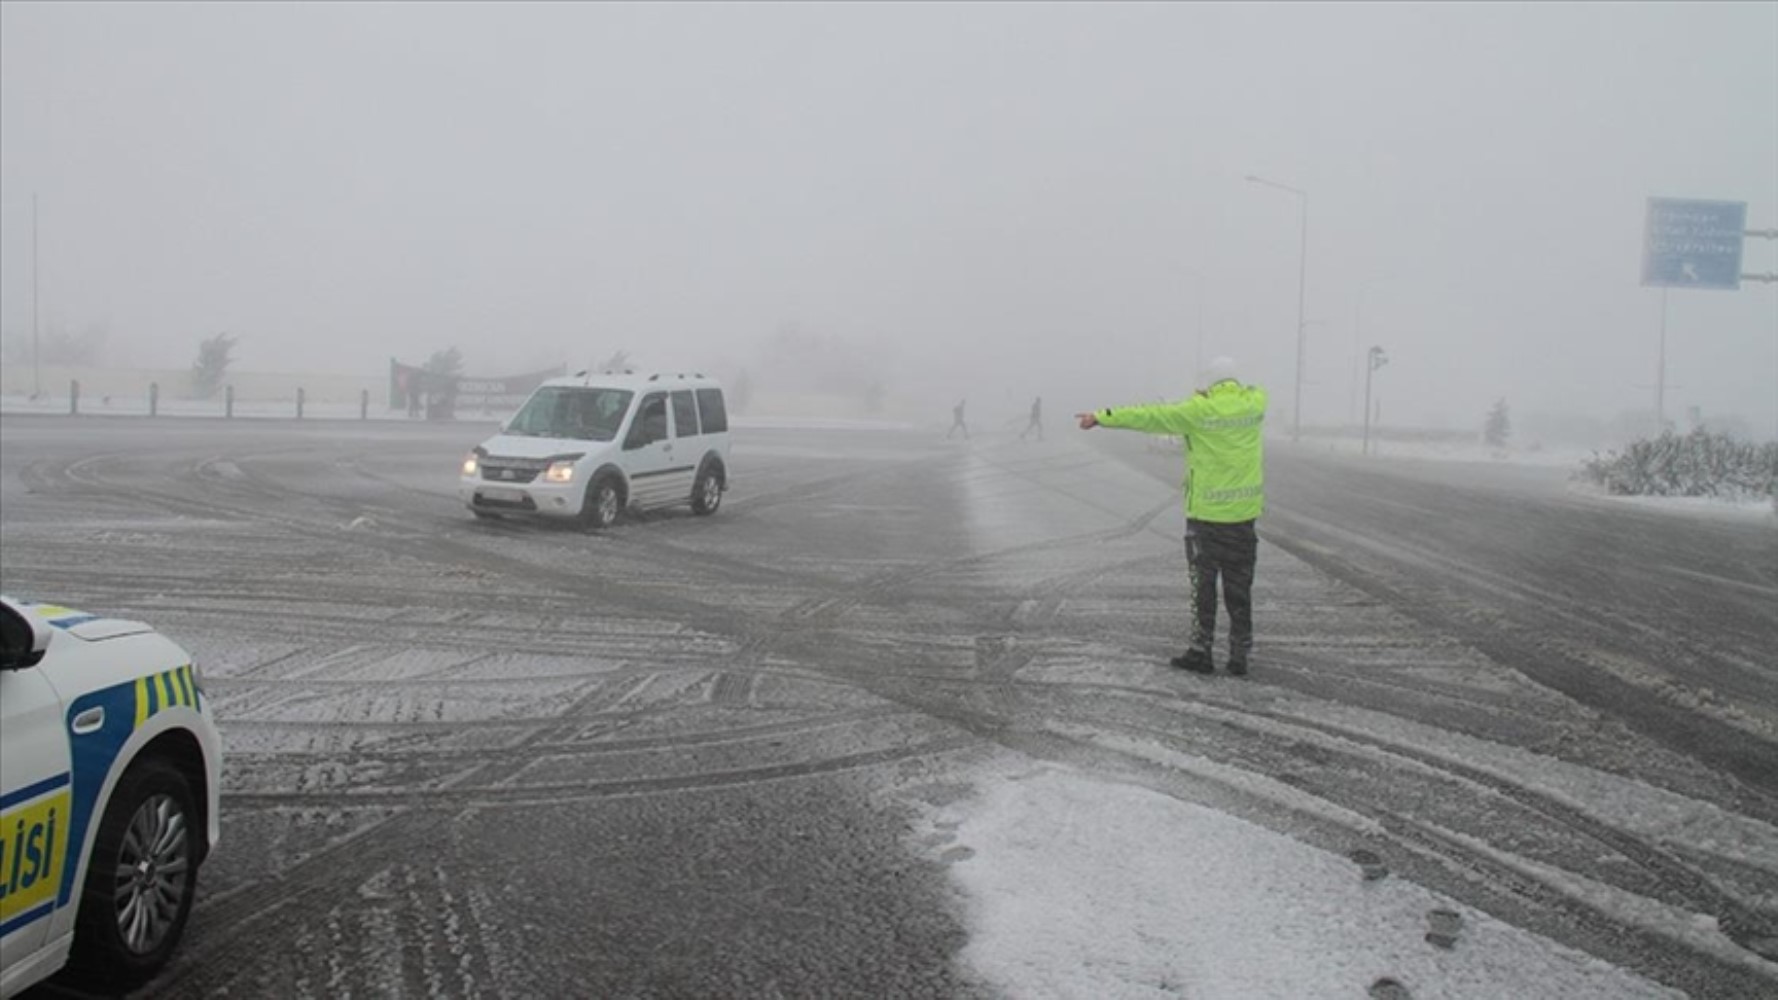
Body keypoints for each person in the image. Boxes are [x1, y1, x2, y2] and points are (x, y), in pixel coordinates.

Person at [1075, 356, 1267, 676]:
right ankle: (1239, 655)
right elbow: (1254, 390)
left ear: (1205, 386)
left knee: (1203, 588)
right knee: (1240, 588)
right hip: (1244, 518)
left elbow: (1150, 416)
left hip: (1206, 518)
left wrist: (1101, 417)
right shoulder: (1255, 405)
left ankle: (1201, 651)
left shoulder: (1197, 411)